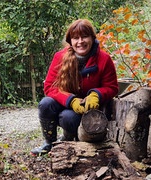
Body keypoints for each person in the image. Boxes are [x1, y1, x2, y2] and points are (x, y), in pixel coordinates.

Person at [30, 19, 119, 156]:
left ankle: (70, 139)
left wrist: (97, 95)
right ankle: (49, 142)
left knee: (68, 118)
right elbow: (49, 87)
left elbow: (112, 87)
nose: (80, 42)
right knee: (45, 104)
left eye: (84, 37)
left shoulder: (104, 59)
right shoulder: (60, 57)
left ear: (92, 38)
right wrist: (71, 100)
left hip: (87, 109)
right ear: (70, 41)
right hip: (65, 101)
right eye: (75, 38)